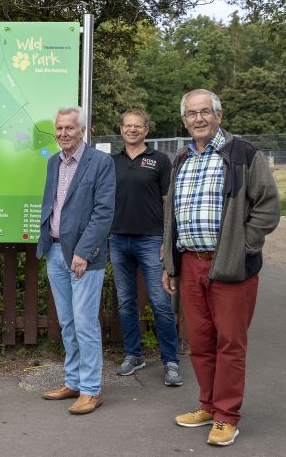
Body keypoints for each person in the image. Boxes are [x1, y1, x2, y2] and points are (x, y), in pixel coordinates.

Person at [162, 89, 280, 446]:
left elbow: (268, 206)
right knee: (199, 341)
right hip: (191, 263)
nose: (198, 119)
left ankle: (227, 416)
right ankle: (209, 405)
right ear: (184, 120)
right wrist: (170, 263)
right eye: (191, 114)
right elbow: (171, 216)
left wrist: (242, 246)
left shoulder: (243, 154)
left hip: (229, 266)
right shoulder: (181, 158)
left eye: (205, 112)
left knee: (230, 342)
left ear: (219, 115)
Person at [36, 107, 115, 415]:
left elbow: (103, 212)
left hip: (83, 256)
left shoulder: (101, 163)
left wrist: (83, 252)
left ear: (82, 130)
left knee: (84, 323)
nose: (63, 133)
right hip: (55, 251)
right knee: (67, 322)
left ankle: (92, 390)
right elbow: (53, 205)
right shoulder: (53, 162)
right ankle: (74, 382)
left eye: (69, 128)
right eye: (59, 128)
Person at [110, 109, 182, 386]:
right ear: (121, 130)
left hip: (151, 240)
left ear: (146, 130)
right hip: (118, 240)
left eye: (137, 126)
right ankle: (134, 355)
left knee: (160, 302)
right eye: (127, 126)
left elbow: (168, 203)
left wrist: (167, 239)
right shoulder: (111, 162)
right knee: (126, 302)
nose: (132, 130)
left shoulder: (160, 160)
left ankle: (171, 361)